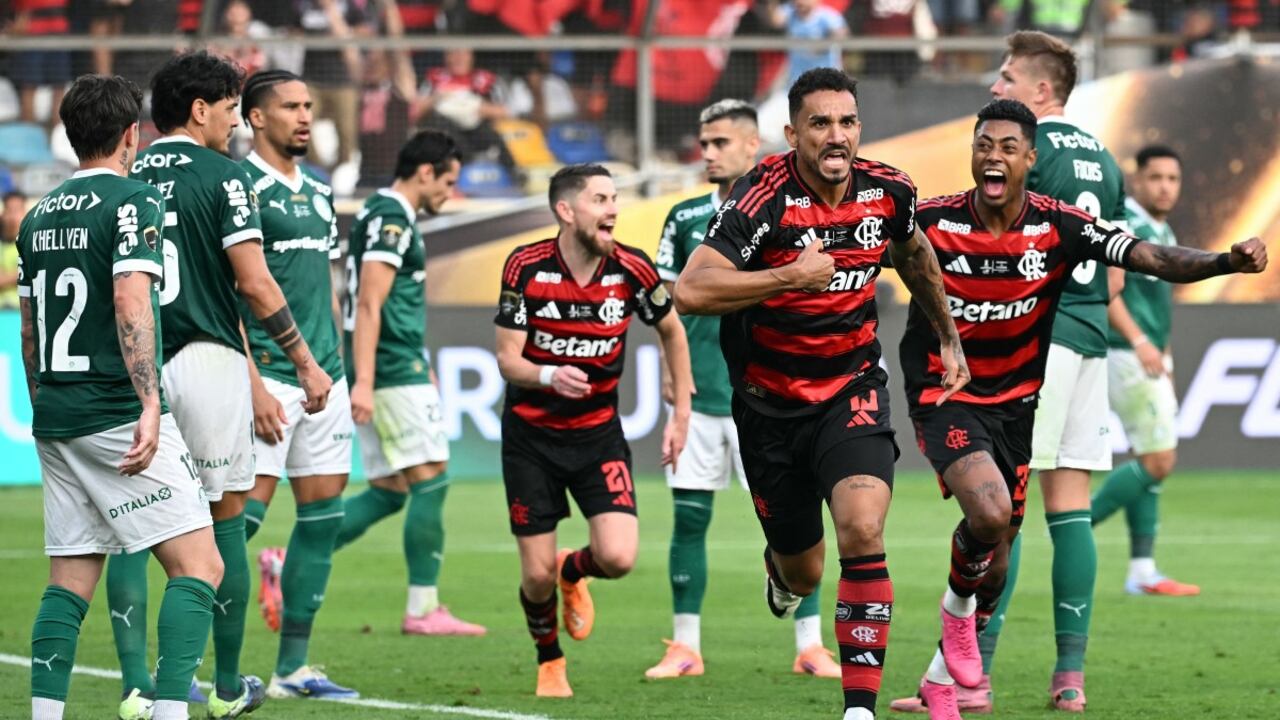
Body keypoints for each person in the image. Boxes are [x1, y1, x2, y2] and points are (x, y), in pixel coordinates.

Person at [889, 100, 1267, 720]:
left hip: (1017, 407)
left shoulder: (1059, 224)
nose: (994, 156)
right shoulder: (930, 221)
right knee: (988, 514)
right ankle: (957, 623)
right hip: (945, 394)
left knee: (998, 557)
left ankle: (939, 680)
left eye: (1009, 147)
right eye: (984, 144)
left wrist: (1225, 261)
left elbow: (1151, 257)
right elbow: (852, 263)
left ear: (1030, 161)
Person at [672, 67, 968, 720]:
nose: (837, 137)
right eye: (820, 124)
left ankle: (857, 710)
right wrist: (787, 276)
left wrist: (948, 336)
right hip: (769, 405)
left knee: (863, 528)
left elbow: (914, 255)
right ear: (792, 133)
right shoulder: (762, 198)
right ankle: (781, 576)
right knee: (803, 571)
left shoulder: (889, 189)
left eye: (847, 122)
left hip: (851, 389)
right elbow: (691, 290)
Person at [106, 50, 334, 720]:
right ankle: (230, 687)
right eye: (232, 109)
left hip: (133, 365)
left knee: (131, 527)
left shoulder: (125, 173)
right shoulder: (228, 178)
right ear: (201, 109)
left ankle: (136, 686)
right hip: (207, 361)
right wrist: (305, 362)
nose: (236, 124)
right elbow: (255, 284)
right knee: (224, 524)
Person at [19, 73, 222, 720]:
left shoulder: (36, 216)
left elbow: (29, 329)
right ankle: (170, 713)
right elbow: (132, 299)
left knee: (71, 577)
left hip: (56, 414)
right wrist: (151, 404)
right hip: (112, 407)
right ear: (132, 135)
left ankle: (44, 716)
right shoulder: (134, 202)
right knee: (200, 566)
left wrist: (44, 405)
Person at [646, 98, 841, 681]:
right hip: (703, 395)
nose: (707, 153)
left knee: (799, 522)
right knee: (689, 518)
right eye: (703, 144)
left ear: (753, 145)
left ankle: (810, 645)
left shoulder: (790, 210)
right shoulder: (682, 219)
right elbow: (665, 312)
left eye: (719, 143)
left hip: (775, 394)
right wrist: (675, 396)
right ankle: (685, 646)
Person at [494, 163, 693, 698]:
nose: (613, 210)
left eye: (614, 200)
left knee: (618, 558)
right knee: (532, 578)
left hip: (598, 435)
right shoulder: (525, 266)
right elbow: (507, 360)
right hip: (530, 438)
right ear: (566, 210)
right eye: (601, 200)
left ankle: (572, 570)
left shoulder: (632, 269)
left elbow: (672, 330)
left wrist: (679, 411)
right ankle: (550, 659)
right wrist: (547, 375)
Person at [984, 30, 1126, 711]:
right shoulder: (1104, 158)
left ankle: (966, 673)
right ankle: (1070, 677)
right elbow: (1119, 278)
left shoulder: (1025, 152)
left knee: (1000, 514)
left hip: (1039, 345)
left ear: (1041, 92)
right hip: (1093, 336)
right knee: (1068, 509)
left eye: (1006, 77)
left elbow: (997, 246)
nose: (995, 86)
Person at [224, 70, 359, 700]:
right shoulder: (238, 188)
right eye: (290, 107)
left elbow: (327, 289)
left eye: (309, 105)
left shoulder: (322, 192)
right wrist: (251, 383)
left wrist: (339, 369)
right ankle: (203, 665)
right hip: (269, 381)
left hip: (322, 381)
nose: (305, 116)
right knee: (237, 527)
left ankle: (292, 670)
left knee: (322, 521)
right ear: (255, 118)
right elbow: (230, 295)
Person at [336, 129, 487, 637]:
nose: (451, 192)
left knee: (390, 488)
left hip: (397, 364)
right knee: (432, 478)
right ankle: (423, 609)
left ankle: (288, 558)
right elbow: (369, 303)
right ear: (426, 172)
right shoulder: (391, 216)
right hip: (389, 367)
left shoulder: (387, 214)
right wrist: (365, 380)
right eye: (449, 181)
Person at [1093, 145, 1198, 596]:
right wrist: (1140, 342)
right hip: (1124, 352)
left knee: (1148, 455)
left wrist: (1164, 353)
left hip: (1150, 354)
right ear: (1138, 180)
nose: (1165, 187)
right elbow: (1109, 293)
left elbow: (1159, 305)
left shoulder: (1164, 231)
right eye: (1156, 178)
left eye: (1173, 179)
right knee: (1159, 460)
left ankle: (1142, 571)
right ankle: (1074, 523)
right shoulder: (1128, 229)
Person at [2, 191, 26, 309]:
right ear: (3, 214)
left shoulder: (30, 245)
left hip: (21, 313)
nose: (13, 217)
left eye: (17, 211)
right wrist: (20, 273)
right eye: (9, 210)